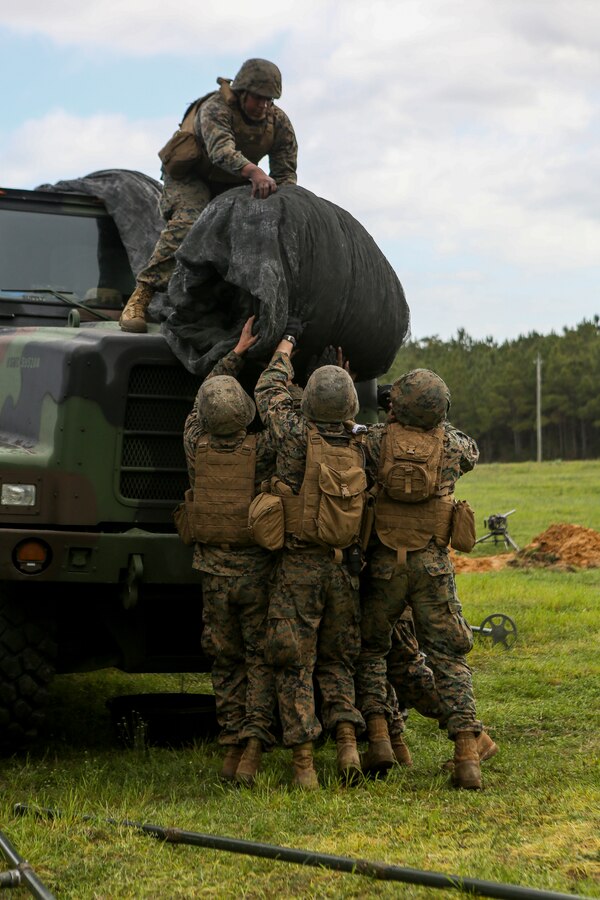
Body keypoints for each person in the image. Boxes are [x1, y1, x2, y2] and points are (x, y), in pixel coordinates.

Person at [355, 368, 487, 789]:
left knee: (371, 650)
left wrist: (391, 419)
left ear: (397, 407)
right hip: (432, 566)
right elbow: (470, 448)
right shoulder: (453, 446)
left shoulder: (374, 441)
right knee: (449, 658)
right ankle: (467, 756)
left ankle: (378, 739)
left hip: (384, 565)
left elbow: (355, 434)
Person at [254, 321, 368, 789]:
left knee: (292, 661)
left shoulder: (290, 432)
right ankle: (347, 749)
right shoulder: (364, 442)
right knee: (339, 660)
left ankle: (303, 765)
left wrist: (288, 343)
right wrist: (342, 383)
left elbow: (268, 387)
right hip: (343, 570)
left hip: (298, 568)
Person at [120, 59, 298, 333]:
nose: (263, 106)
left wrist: (286, 206)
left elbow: (285, 173)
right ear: (241, 93)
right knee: (190, 223)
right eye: (257, 98)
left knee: (253, 232)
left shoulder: (278, 123)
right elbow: (220, 151)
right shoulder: (216, 108)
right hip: (191, 176)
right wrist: (254, 172)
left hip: (233, 182)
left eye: (269, 100)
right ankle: (141, 296)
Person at [182, 316, 278, 785]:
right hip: (256, 573)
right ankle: (254, 748)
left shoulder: (193, 444)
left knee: (225, 660)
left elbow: (207, 396)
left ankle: (229, 745)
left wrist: (233, 354)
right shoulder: (262, 450)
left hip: (213, 575)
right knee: (260, 657)